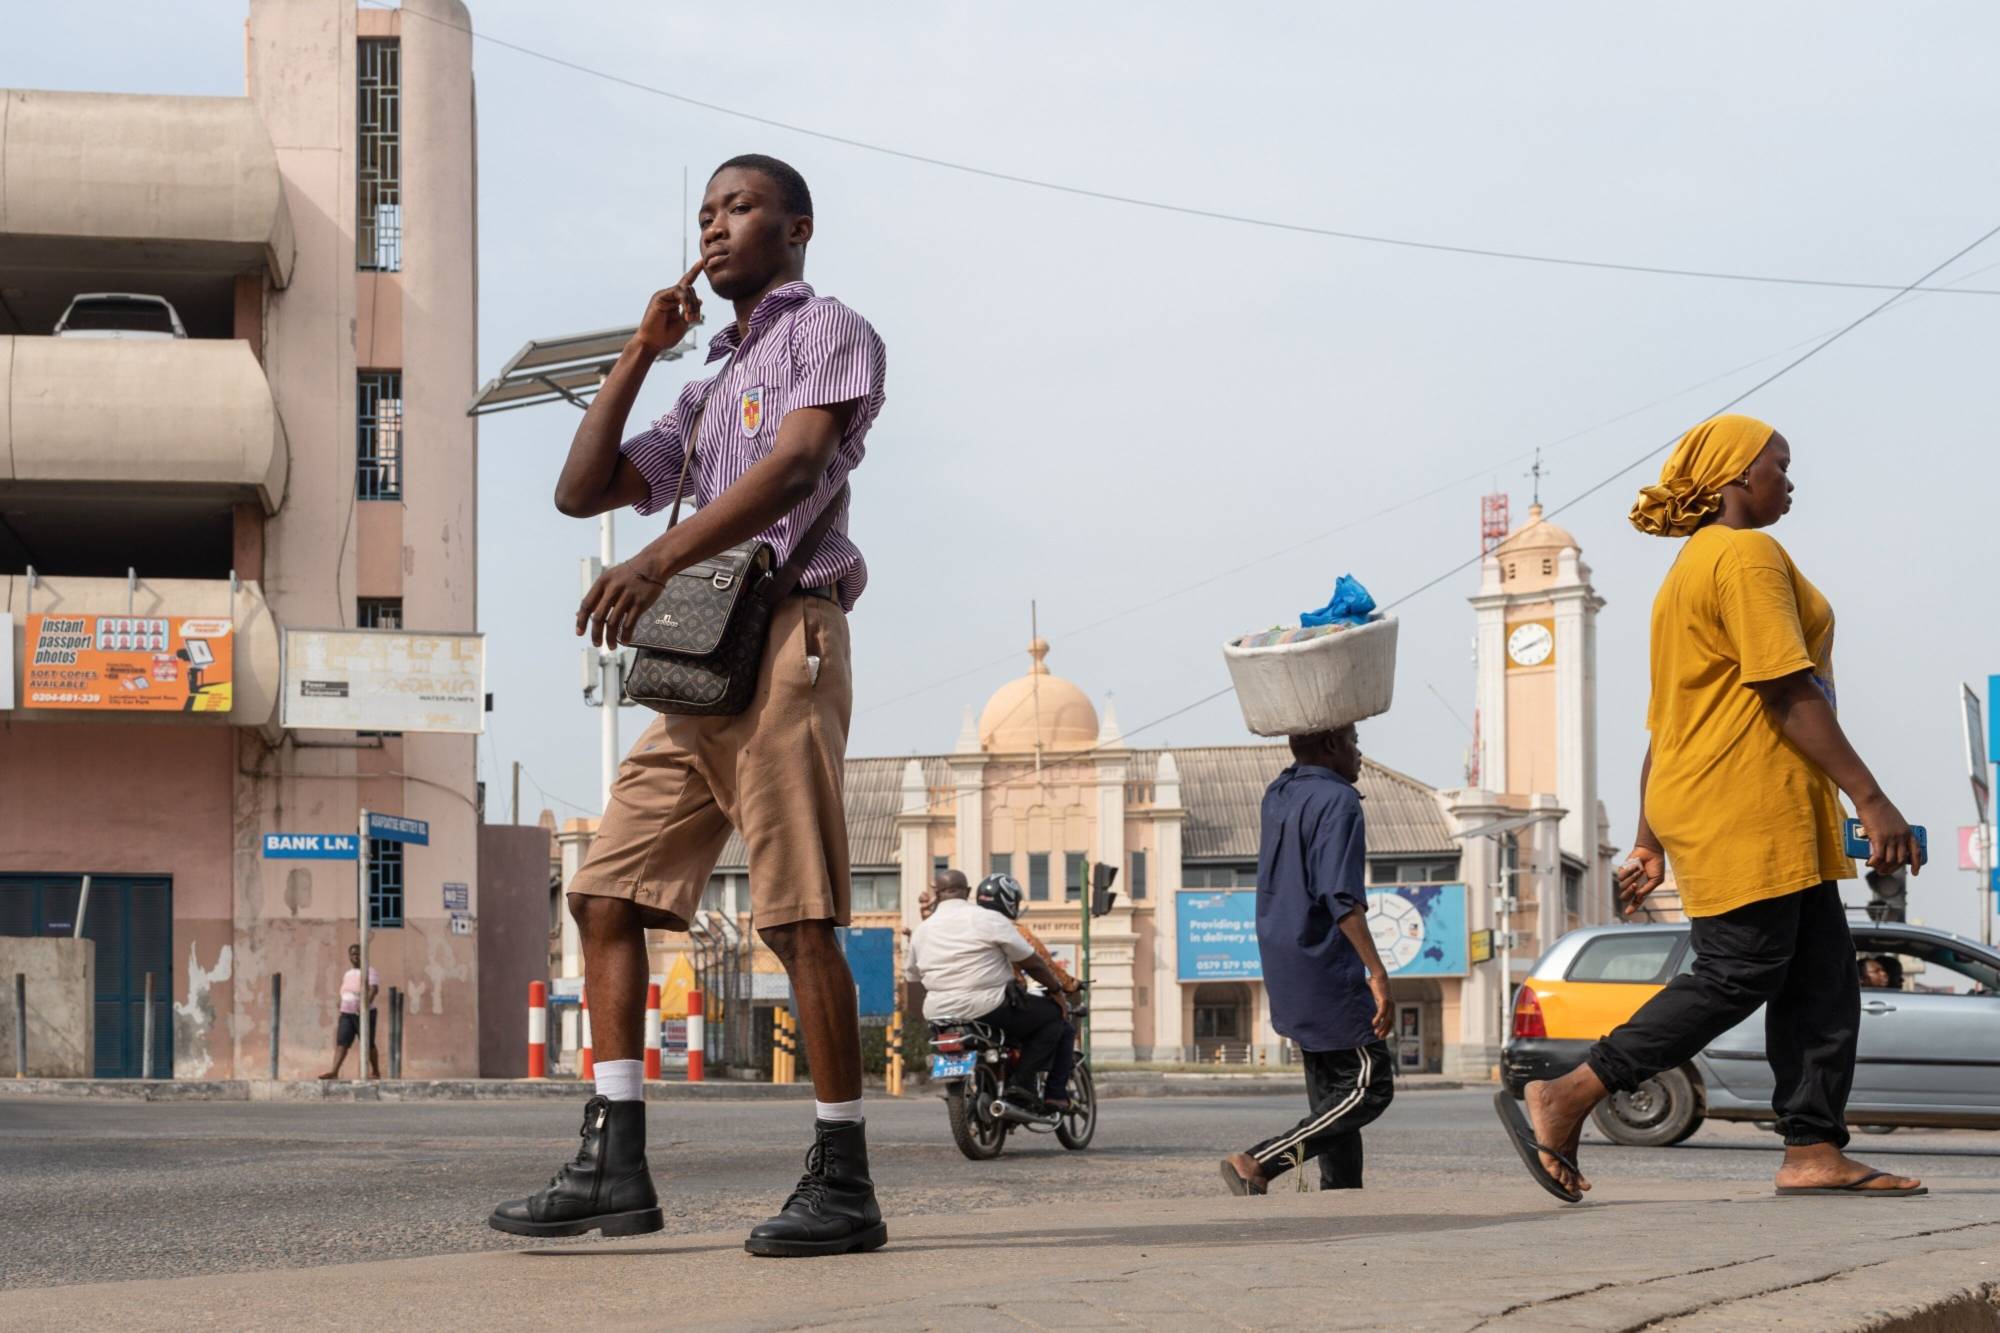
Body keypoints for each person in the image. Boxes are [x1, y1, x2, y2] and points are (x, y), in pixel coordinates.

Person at [489, 154, 890, 1257]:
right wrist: (639, 352)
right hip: (700, 669)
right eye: (705, 212)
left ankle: (843, 1174)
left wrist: (656, 559)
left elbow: (800, 465)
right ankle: (613, 1164)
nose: (715, 227)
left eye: (741, 208)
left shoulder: (826, 328)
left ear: (796, 226)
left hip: (783, 638)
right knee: (607, 893)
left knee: (797, 908)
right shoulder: (706, 384)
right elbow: (582, 491)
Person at [1498, 414, 1926, 1203]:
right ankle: (1567, 1094)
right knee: (1740, 971)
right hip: (1747, 800)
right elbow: (1785, 688)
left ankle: (1813, 1148)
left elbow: (1667, 725)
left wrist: (1645, 840)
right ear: (1735, 476)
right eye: (1780, 465)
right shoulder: (1746, 553)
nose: (1789, 480)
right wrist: (1871, 797)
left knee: (1820, 981)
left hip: (1746, 800)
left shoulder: (1690, 571)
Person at [1219, 724, 1395, 1194]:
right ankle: (1259, 1161)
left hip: (1286, 962)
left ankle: (1341, 1196)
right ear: (1334, 745)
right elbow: (1341, 898)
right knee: (1369, 1085)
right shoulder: (1338, 801)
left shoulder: (1279, 792)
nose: (1361, 752)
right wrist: (1377, 973)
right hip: (1326, 966)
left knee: (1332, 1092)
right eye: (1356, 740)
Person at [905, 872, 1077, 1114]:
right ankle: (1020, 1085)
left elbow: (912, 979)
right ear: (968, 891)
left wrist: (917, 1021)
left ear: (937, 894)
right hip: (989, 1006)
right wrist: (1056, 991)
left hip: (939, 1013)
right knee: (1053, 1017)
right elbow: (1032, 962)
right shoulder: (986, 919)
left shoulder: (922, 930)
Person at [318, 944, 379, 1080]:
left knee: (368, 1043)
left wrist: (364, 1006)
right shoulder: (348, 973)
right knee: (342, 1043)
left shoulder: (370, 971)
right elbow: (346, 990)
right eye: (352, 954)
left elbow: (373, 989)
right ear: (349, 956)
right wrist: (341, 1002)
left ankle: (375, 1071)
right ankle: (334, 1072)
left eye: (358, 954)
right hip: (346, 1014)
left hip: (364, 1013)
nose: (355, 956)